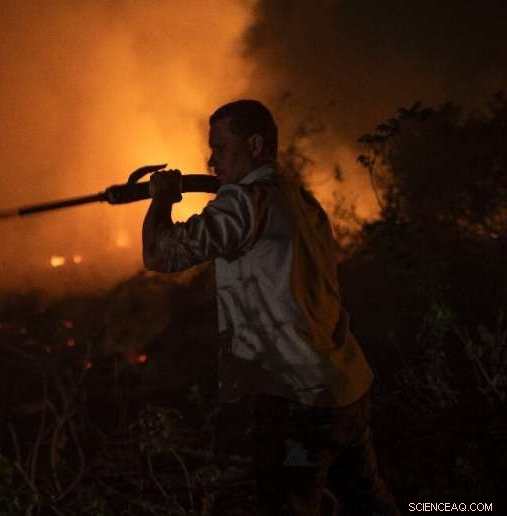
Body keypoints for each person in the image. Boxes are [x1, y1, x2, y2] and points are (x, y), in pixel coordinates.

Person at [142, 100, 400, 515]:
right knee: (368, 504)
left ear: (256, 144)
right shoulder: (302, 202)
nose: (211, 160)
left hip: (296, 401)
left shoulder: (245, 203)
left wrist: (162, 200)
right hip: (346, 386)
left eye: (221, 148)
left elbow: (159, 254)